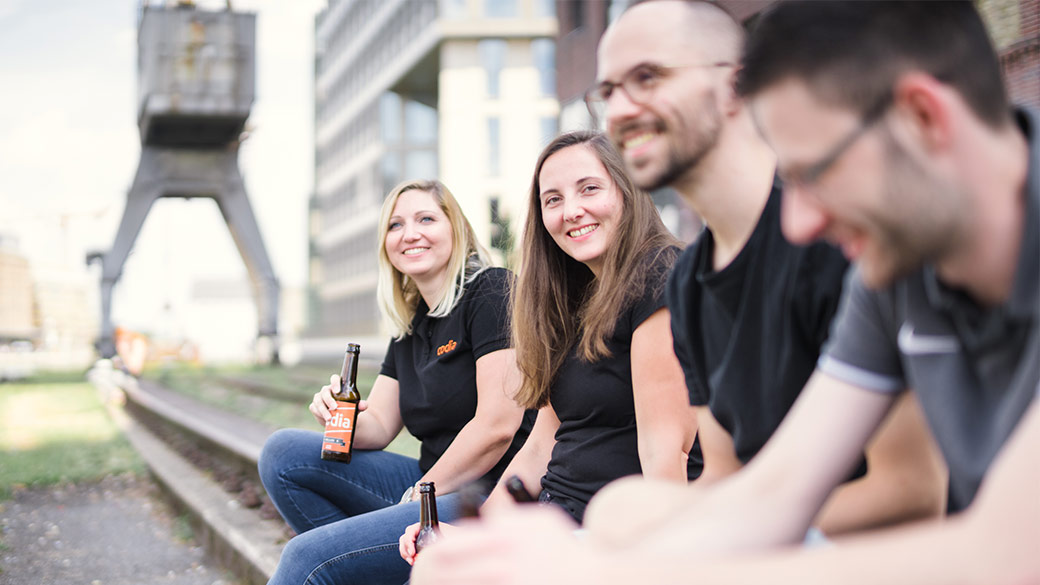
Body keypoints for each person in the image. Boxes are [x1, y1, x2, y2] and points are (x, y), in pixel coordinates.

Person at [408, 2, 1040, 584]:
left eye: (814, 173)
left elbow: (999, 550)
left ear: (925, 116)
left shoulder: (870, 252)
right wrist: (567, 545)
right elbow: (770, 491)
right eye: (609, 90)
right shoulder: (888, 263)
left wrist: (598, 568)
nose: (798, 224)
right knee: (622, 512)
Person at [593, 0, 945, 537]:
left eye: (648, 76)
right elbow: (726, 472)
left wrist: (713, 527)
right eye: (609, 91)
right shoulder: (687, 283)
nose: (620, 109)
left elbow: (911, 491)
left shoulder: (838, 239)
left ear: (735, 86)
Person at [400, 130, 697, 562]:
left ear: (627, 190)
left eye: (589, 189)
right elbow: (541, 445)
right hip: (550, 517)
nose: (571, 211)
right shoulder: (572, 297)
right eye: (552, 200)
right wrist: (476, 534)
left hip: (610, 533)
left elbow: (667, 452)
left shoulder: (659, 272)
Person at [257, 179, 533, 585]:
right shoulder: (412, 323)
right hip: (431, 484)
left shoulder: (491, 291)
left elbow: (497, 427)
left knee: (306, 559)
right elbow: (380, 426)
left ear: (456, 230)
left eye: (426, 219)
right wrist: (339, 416)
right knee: (283, 454)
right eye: (395, 225)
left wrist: (419, 495)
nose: (410, 234)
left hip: (489, 493)